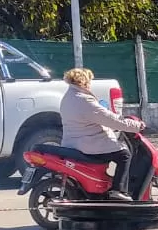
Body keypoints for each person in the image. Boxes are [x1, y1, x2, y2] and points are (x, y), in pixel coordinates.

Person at [58, 67, 144, 200]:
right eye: (89, 81)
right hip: (87, 144)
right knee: (124, 154)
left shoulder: (68, 97)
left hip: (72, 142)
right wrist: (136, 126)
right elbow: (109, 118)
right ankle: (118, 190)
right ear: (83, 82)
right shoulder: (84, 100)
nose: (90, 84)